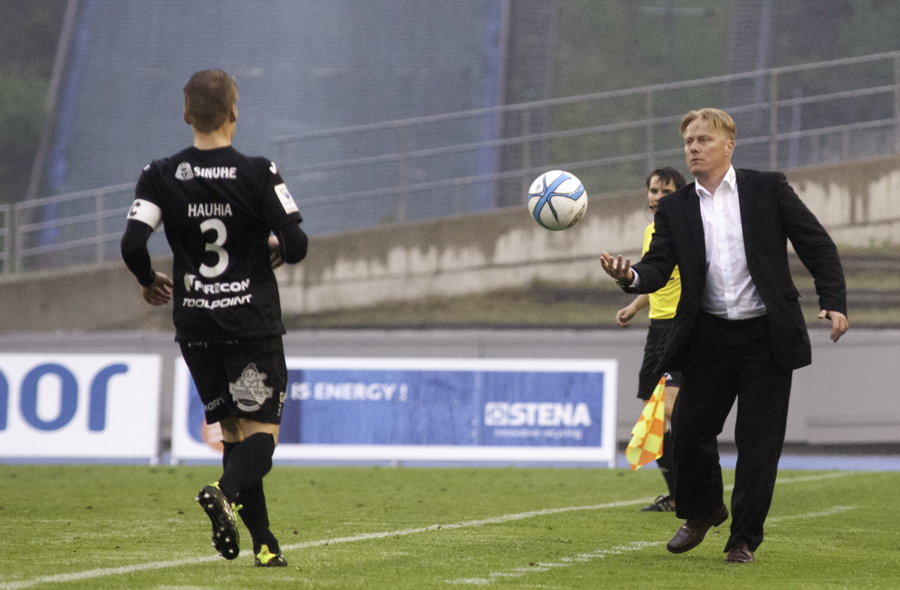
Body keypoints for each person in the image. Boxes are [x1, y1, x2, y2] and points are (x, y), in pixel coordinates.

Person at [600, 108, 848, 564]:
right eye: (689, 142)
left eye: (703, 140)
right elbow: (657, 268)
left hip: (766, 337)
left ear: (728, 145)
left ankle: (743, 539)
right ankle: (701, 511)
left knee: (759, 443)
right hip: (708, 335)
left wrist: (833, 298)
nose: (693, 148)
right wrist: (629, 275)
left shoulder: (766, 188)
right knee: (690, 429)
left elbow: (816, 244)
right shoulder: (676, 207)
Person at [121, 69, 309, 567]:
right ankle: (223, 493)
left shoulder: (159, 174)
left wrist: (147, 279)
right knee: (262, 438)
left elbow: (132, 243)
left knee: (233, 434)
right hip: (250, 325)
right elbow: (296, 244)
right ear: (234, 113)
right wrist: (274, 243)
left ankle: (265, 546)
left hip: (196, 326)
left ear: (186, 115)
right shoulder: (258, 172)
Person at [616, 166, 686, 512]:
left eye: (666, 192)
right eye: (654, 191)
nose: (658, 197)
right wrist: (633, 305)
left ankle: (695, 487)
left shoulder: (688, 230)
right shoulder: (651, 232)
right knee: (652, 418)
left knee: (668, 410)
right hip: (657, 329)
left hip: (681, 326)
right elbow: (654, 277)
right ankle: (678, 495)